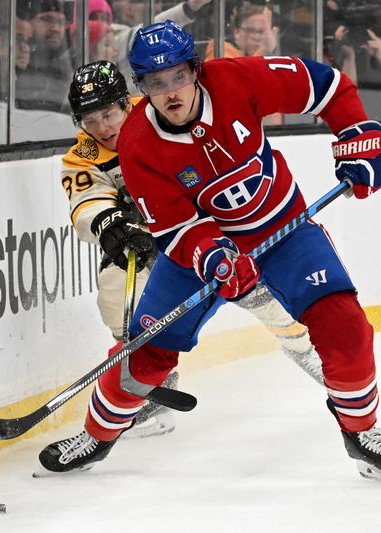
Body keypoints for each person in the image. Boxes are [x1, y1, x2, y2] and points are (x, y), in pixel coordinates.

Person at [37, 21, 381, 484]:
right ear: (142, 88)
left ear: (195, 71)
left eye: (178, 76)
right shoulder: (137, 144)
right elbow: (174, 227)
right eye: (156, 83)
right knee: (145, 351)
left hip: (285, 231)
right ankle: (98, 435)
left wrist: (357, 138)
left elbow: (328, 87)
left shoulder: (238, 78)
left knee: (345, 325)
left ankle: (362, 431)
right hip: (203, 253)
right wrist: (213, 256)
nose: (171, 92)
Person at [55, 60, 325, 440]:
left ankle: (299, 343)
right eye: (90, 120)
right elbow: (86, 199)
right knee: (117, 295)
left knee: (256, 293)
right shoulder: (82, 155)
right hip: (147, 241)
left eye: (108, 114)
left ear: (126, 104)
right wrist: (108, 223)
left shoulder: (159, 116)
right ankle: (151, 389)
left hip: (206, 231)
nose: (102, 128)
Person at [204, 3, 279, 59]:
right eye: (250, 30)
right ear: (236, 31)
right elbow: (235, 76)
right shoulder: (220, 49)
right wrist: (263, 51)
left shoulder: (272, 57)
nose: (256, 37)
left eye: (262, 31)